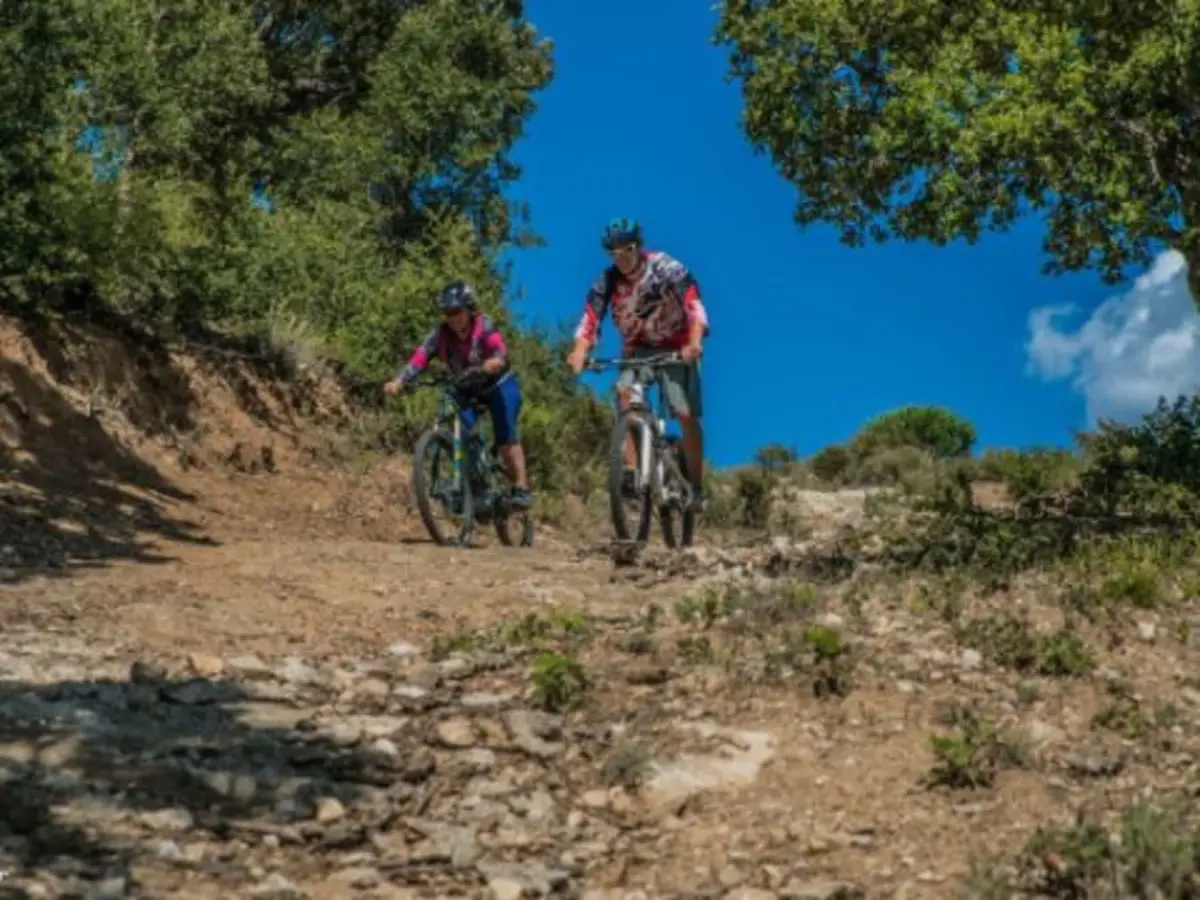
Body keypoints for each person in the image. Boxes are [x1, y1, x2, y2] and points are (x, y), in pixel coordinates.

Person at [567, 217, 709, 510]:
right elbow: (590, 319)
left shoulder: (665, 267)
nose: (621, 258)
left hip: (676, 346)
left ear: (639, 246)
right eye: (614, 252)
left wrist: (695, 342)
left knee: (684, 413)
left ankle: (695, 485)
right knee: (625, 397)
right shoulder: (606, 283)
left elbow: (693, 302)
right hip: (637, 348)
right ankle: (631, 473)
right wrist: (579, 350)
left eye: (627, 249)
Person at [385, 280, 531, 510]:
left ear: (469, 307)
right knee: (457, 431)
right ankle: (469, 485)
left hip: (499, 386)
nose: (452, 317)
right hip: (468, 387)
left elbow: (500, 353)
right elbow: (420, 358)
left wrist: (492, 363)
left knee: (505, 439)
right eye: (447, 312)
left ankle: (521, 488)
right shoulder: (440, 335)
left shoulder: (484, 326)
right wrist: (399, 381)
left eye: (456, 311)